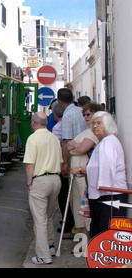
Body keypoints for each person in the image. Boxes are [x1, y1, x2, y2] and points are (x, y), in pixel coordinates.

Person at [71, 111, 128, 238]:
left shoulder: (109, 142)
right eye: (93, 123)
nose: (95, 126)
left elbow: (104, 168)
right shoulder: (105, 142)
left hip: (109, 195)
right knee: (100, 233)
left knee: (106, 235)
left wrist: (81, 169)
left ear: (107, 125)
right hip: (106, 195)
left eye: (99, 123)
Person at [24, 112, 63, 265]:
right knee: (48, 216)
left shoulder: (33, 138)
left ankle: (43, 255)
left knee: (39, 219)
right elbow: (60, 161)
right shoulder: (53, 137)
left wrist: (29, 183)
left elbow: (29, 164)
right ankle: (51, 245)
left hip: (40, 181)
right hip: (55, 180)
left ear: (34, 123)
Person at [68, 103, 104, 240]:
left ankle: (89, 242)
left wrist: (76, 147)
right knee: (78, 209)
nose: (86, 117)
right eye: (84, 114)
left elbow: (82, 149)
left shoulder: (94, 132)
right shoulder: (85, 131)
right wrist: (76, 146)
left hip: (85, 176)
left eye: (89, 114)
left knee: (85, 210)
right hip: (77, 176)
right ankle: (84, 243)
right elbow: (70, 145)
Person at [57, 88, 87, 239]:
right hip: (86, 156)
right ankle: (79, 229)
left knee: (75, 196)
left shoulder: (67, 116)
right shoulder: (80, 111)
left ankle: (78, 230)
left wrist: (64, 163)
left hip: (76, 158)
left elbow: (66, 141)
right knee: (82, 195)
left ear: (60, 102)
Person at [51, 102, 75, 237]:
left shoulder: (57, 128)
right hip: (72, 164)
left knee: (63, 196)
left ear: (55, 114)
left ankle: (67, 224)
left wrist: (62, 164)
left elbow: (58, 147)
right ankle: (69, 222)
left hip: (62, 165)